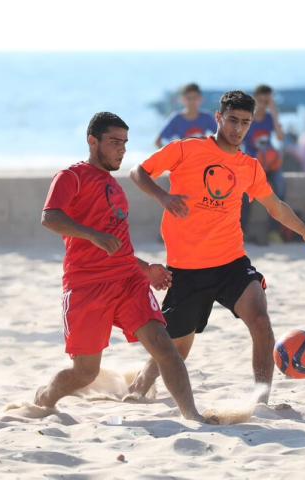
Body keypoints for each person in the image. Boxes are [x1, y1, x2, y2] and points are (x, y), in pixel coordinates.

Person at [128, 91, 305, 404]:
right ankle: (137, 388)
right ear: (219, 118)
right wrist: (163, 197)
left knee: (260, 320)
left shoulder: (249, 167)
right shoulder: (186, 149)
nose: (238, 128)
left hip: (231, 263)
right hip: (187, 270)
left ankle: (261, 399)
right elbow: (138, 172)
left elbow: (275, 207)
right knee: (175, 348)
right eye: (232, 119)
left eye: (245, 122)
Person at [34, 112, 217, 424]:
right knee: (85, 372)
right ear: (93, 142)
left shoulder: (115, 187)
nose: (121, 150)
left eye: (125, 143)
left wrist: (145, 268)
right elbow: (50, 217)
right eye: (114, 142)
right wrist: (93, 235)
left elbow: (117, 244)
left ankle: (192, 414)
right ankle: (44, 399)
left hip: (128, 280)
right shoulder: (71, 176)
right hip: (86, 285)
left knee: (163, 345)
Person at [241, 85, 285, 243]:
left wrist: (273, 110)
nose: (263, 104)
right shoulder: (247, 118)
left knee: (279, 190)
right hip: (252, 163)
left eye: (266, 101)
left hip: (270, 163)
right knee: (246, 196)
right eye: (260, 101)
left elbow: (280, 137)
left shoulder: (269, 118)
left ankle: (274, 231)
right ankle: (241, 232)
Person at [155, 83, 217, 148]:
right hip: (183, 156)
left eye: (194, 98)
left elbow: (220, 138)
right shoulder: (176, 118)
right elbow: (158, 141)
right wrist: (171, 155)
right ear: (182, 99)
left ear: (200, 99)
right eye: (188, 98)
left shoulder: (206, 117)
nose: (192, 101)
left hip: (200, 155)